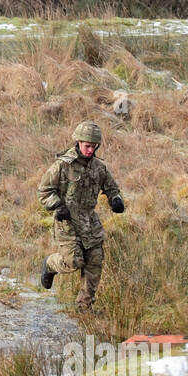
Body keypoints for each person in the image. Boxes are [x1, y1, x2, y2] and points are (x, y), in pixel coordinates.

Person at [38, 120, 125, 312]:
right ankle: (50, 264)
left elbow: (112, 187)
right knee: (73, 262)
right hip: (67, 223)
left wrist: (115, 199)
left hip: (90, 223)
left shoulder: (99, 168)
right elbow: (44, 191)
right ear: (78, 142)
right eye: (87, 146)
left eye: (94, 147)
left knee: (94, 264)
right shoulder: (62, 165)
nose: (90, 150)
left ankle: (85, 308)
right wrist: (57, 205)